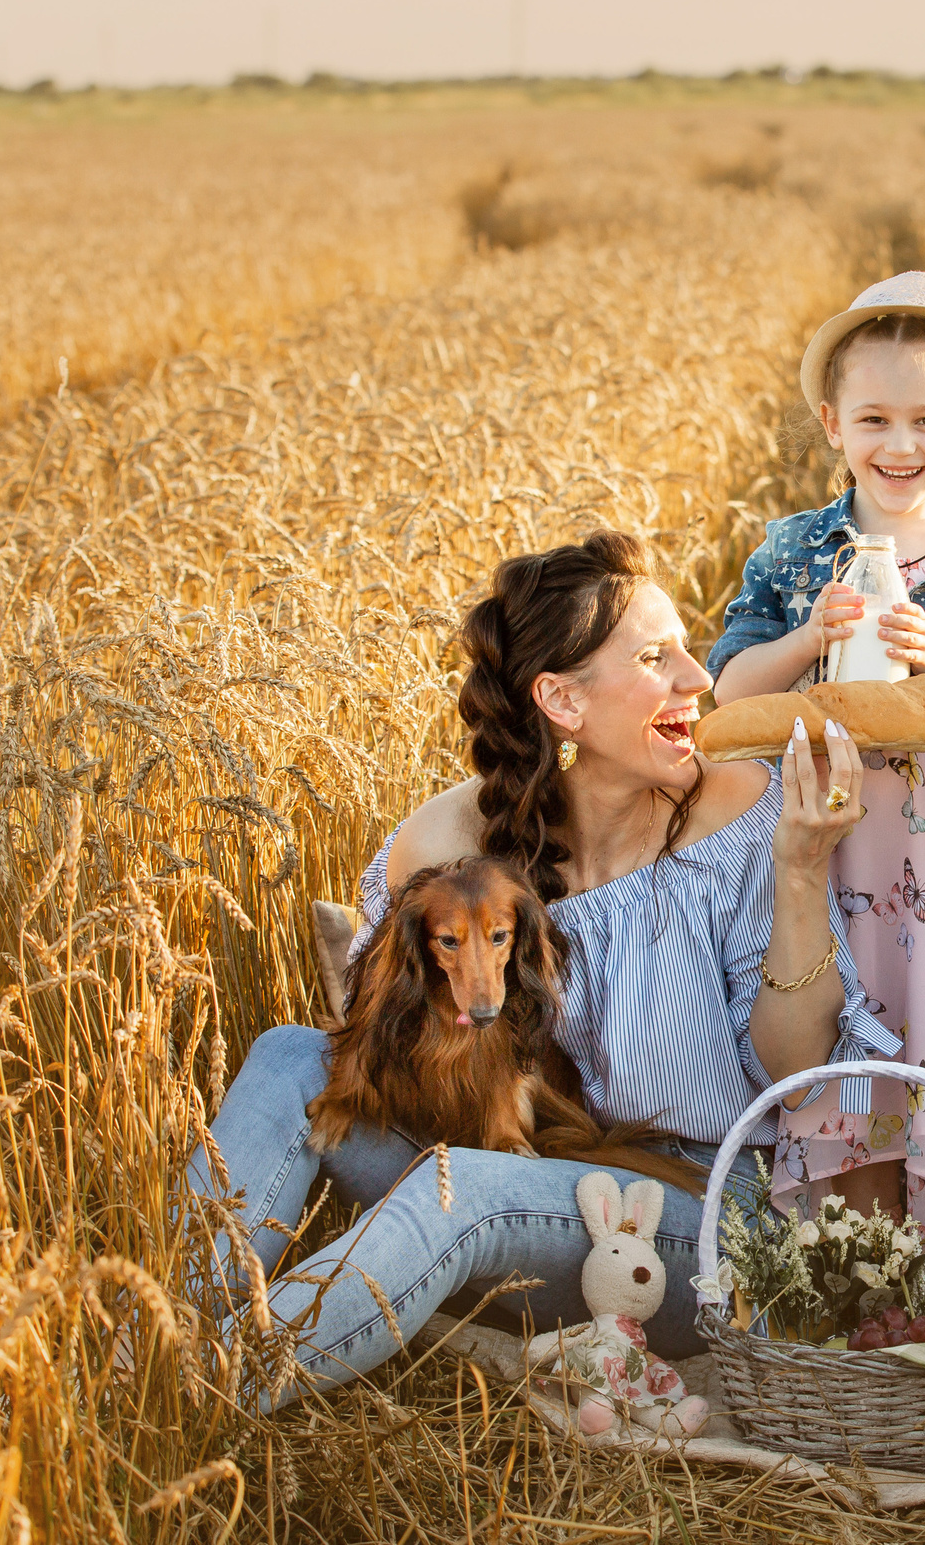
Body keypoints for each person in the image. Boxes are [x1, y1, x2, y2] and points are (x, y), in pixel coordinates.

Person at [184, 532, 872, 1410]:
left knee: (452, 1190)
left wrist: (803, 868)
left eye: (686, 652)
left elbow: (794, 1065)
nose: (698, 680)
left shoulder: (744, 812)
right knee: (289, 1055)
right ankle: (149, 1346)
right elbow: (393, 1032)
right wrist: (456, 850)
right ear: (561, 700)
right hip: (526, 1168)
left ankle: (196, 1392)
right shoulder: (479, 849)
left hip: (697, 1209)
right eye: (657, 658)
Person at [708, 271, 925, 1233]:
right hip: (829, 847)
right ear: (832, 423)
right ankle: (852, 1252)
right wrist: (805, 638)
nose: (901, 446)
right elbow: (729, 687)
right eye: (874, 419)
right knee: (845, 1040)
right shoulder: (791, 553)